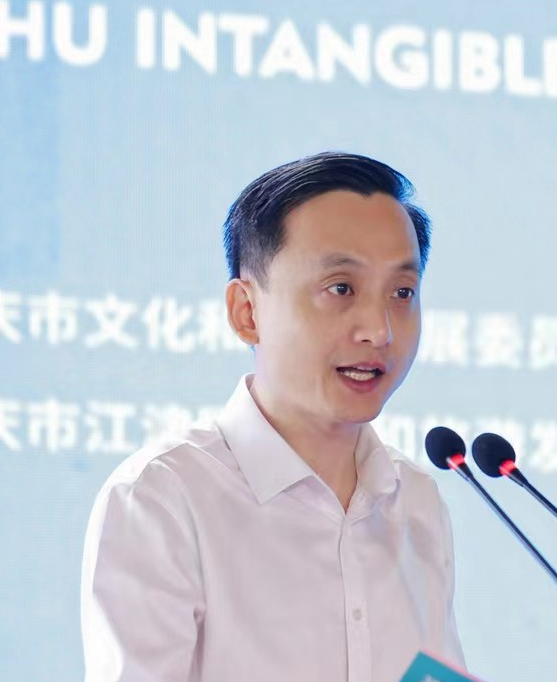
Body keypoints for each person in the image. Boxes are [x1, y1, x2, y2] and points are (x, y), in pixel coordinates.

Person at [81, 151, 466, 682]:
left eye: (403, 293)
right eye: (341, 289)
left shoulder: (416, 499)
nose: (379, 330)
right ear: (247, 312)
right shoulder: (162, 497)